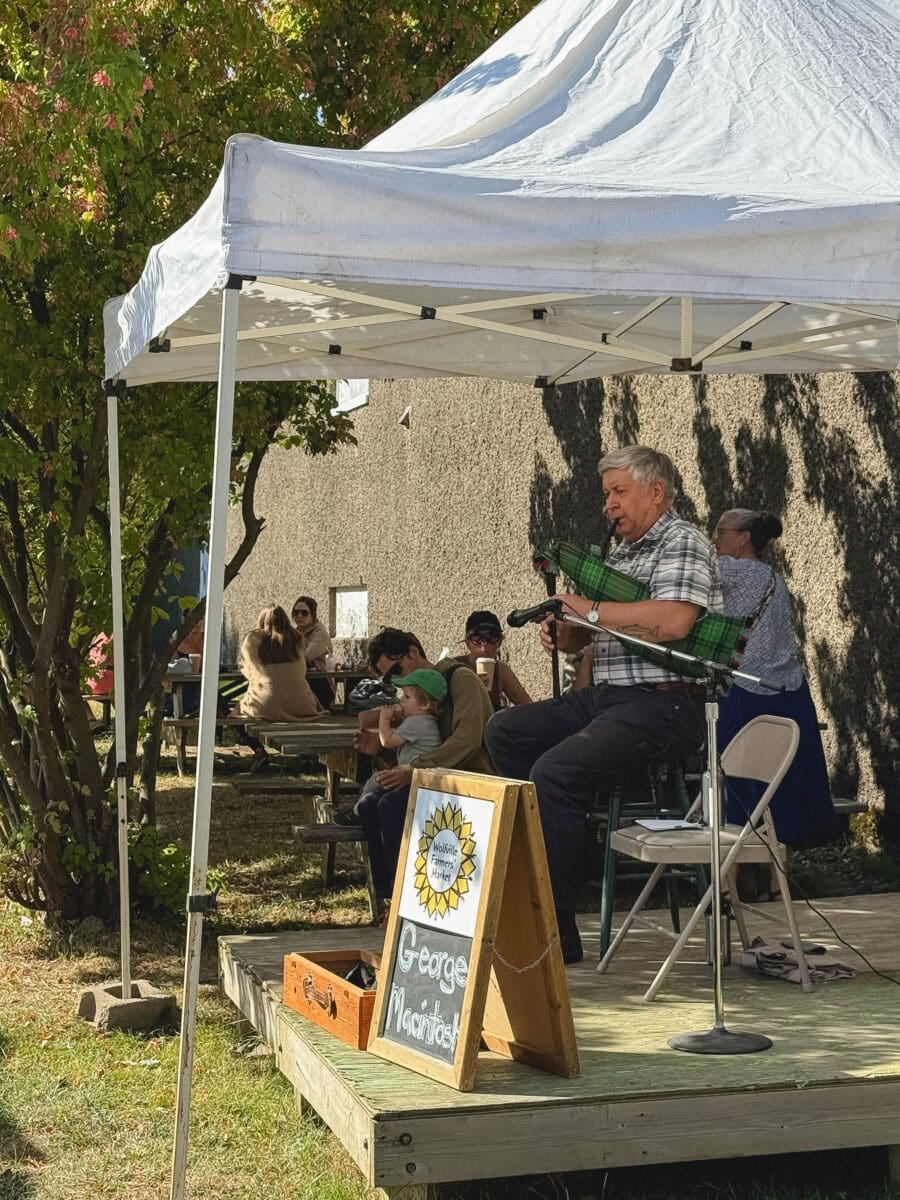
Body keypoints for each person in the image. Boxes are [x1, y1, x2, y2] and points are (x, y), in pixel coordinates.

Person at [485, 445, 721, 965]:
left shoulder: (683, 541)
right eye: (606, 495)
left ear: (656, 492)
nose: (609, 506)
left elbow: (675, 622)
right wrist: (570, 636)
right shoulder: (623, 552)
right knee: (505, 731)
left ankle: (554, 927)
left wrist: (587, 608)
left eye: (619, 492)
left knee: (554, 772)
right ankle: (560, 843)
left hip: (666, 704)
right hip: (610, 698)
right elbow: (609, 631)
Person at [713, 508, 839, 861]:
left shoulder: (734, 570)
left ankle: (733, 876)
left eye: (720, 532)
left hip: (746, 693)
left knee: (737, 783)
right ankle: (777, 873)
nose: (714, 539)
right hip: (788, 692)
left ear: (743, 538)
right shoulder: (773, 577)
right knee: (781, 785)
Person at [354, 628, 493, 907]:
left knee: (391, 806)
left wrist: (413, 770)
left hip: (468, 780)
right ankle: (387, 896)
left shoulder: (460, 678)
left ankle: (406, 897)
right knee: (369, 804)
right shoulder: (414, 695)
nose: (393, 680)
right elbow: (417, 747)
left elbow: (467, 740)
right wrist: (381, 749)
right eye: (386, 677)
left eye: (395, 668)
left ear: (414, 652)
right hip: (433, 778)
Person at [335, 668, 445, 827]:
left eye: (407, 696)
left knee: (375, 780)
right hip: (416, 775)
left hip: (411, 777)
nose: (401, 701)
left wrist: (383, 719)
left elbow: (387, 741)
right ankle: (360, 810)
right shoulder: (426, 722)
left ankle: (357, 813)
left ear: (425, 704)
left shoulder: (417, 722)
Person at [234, 605, 321, 721]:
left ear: (261, 620)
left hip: (262, 705)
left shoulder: (252, 639)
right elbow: (302, 669)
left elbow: (247, 669)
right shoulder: (297, 638)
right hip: (302, 707)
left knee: (235, 710)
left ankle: (244, 738)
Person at [455, 610, 532, 710]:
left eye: (491, 638)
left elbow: (528, 707)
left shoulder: (501, 671)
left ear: (499, 642)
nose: (484, 648)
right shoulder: (455, 667)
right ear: (467, 643)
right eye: (477, 639)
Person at [291, 595, 335, 710]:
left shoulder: (319, 634)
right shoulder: (297, 632)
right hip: (302, 682)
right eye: (296, 612)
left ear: (313, 614)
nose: (299, 616)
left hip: (320, 686)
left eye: (304, 613)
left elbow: (304, 657)